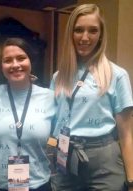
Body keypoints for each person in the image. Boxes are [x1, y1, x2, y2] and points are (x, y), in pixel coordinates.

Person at [50, 4, 133, 191]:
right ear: (71, 34)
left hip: (104, 159)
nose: (85, 37)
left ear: (101, 35)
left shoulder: (117, 75)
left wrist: (131, 181)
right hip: (65, 154)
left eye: (93, 31)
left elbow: (126, 133)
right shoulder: (59, 77)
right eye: (78, 30)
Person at [0, 37, 55, 191]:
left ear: (31, 61)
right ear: (2, 66)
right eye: (8, 60)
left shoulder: (49, 98)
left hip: (37, 183)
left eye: (21, 58)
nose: (15, 65)